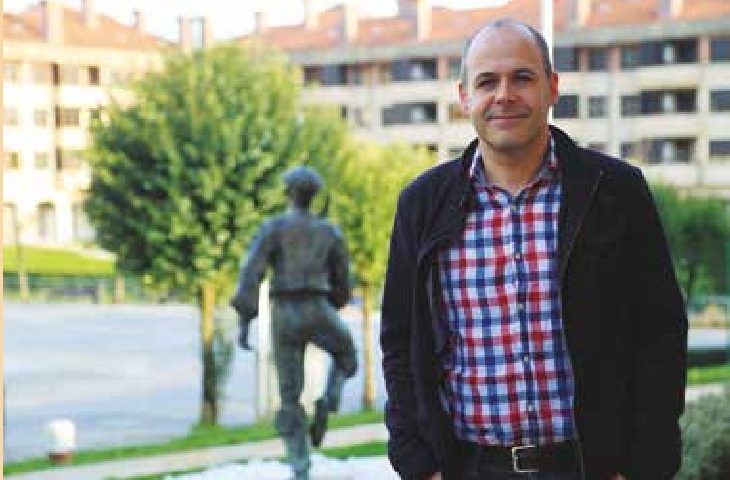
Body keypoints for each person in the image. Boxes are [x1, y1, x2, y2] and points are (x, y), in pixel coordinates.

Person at [380, 18, 688, 480]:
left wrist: (642, 467)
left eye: (522, 78)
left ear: (552, 87)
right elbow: (400, 344)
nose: (504, 95)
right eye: (487, 82)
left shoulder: (615, 190)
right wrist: (419, 466)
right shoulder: (422, 205)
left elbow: (661, 333)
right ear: (464, 96)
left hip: (590, 468)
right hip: (469, 467)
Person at [231, 166, 357, 480]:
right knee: (346, 355)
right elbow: (343, 280)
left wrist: (245, 319)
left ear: (288, 193)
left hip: (285, 311)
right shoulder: (329, 231)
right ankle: (328, 398)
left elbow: (251, 271)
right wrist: (334, 303)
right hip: (318, 306)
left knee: (289, 395)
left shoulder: (273, 228)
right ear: (314, 196)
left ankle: (300, 467)